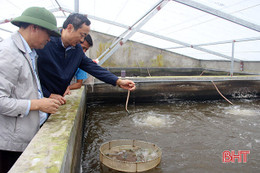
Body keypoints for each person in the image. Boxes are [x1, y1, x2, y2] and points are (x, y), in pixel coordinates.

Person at [0, 7, 61, 173]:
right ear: (34, 27)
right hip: (10, 145)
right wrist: (37, 104)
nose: (49, 39)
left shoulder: (30, 52)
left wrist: (45, 98)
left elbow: (24, 88)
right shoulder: (8, 53)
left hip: (26, 133)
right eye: (48, 33)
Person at [36, 13, 136, 105]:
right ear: (70, 28)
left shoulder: (77, 50)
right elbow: (32, 74)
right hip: (38, 100)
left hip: (57, 100)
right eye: (82, 35)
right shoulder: (45, 43)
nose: (82, 40)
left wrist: (118, 81)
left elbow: (93, 67)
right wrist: (48, 94)